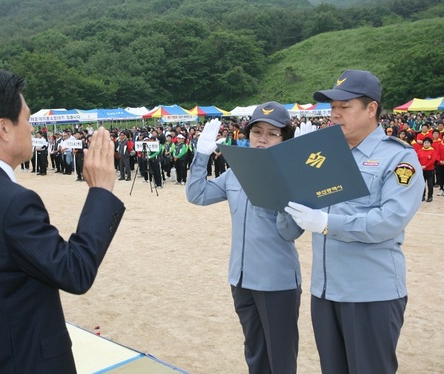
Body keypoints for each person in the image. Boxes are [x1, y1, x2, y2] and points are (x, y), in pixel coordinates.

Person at [0, 68, 125, 374]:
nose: (31, 128)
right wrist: (100, 191)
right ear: (4, 128)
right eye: (27, 119)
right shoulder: (13, 201)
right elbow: (74, 271)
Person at [285, 69, 424, 374]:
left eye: (344, 108)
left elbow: (389, 221)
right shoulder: (324, 155)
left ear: (371, 108)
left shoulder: (397, 158)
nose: (335, 115)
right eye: (332, 108)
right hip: (325, 292)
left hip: (370, 295)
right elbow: (296, 217)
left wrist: (326, 223)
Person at [186, 103, 304, 374]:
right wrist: (201, 155)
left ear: (285, 139)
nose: (262, 138)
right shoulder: (237, 172)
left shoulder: (291, 176)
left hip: (276, 282)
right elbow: (197, 194)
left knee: (281, 358)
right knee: (255, 352)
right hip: (241, 278)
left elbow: (289, 232)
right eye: (257, 131)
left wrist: (285, 189)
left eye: (272, 133)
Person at [417, 137, 438, 202]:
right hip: (421, 170)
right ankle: (422, 196)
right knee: (422, 184)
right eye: (425, 143)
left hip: (429, 170)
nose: (426, 144)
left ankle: (430, 196)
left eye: (428, 143)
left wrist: (425, 166)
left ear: (430, 144)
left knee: (430, 184)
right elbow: (417, 159)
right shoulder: (420, 150)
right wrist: (420, 166)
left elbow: (432, 160)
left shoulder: (432, 151)